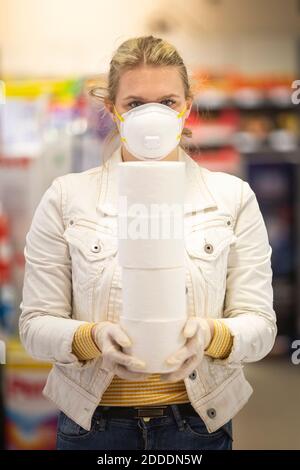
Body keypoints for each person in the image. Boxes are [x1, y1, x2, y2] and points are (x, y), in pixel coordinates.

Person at [19, 35, 277, 450]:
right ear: (112, 111)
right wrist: (94, 339)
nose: (151, 118)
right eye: (135, 105)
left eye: (167, 103)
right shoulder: (67, 198)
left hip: (195, 427)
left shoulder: (231, 198)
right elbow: (34, 326)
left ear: (187, 107)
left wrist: (211, 336)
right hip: (94, 428)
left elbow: (261, 326)